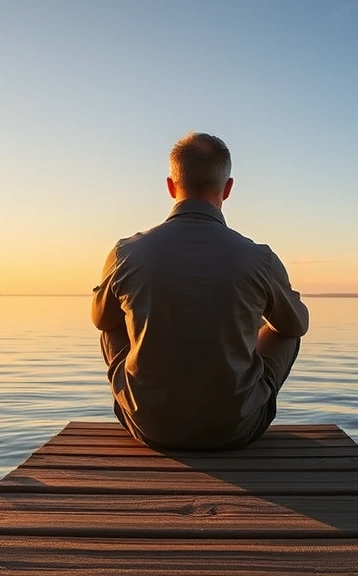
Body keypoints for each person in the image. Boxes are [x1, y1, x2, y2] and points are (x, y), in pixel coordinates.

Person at [91, 132, 309, 450]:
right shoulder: (259, 257)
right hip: (235, 431)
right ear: (228, 188)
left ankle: (152, 406)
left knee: (111, 321)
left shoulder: (127, 252)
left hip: (149, 428)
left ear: (171, 186)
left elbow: (100, 320)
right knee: (286, 329)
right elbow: (297, 326)